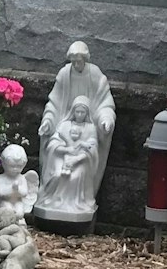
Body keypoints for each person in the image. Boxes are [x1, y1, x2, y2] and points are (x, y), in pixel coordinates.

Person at [38, 40, 116, 194]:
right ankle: (50, 197)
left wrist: (106, 120)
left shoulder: (95, 75)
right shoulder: (64, 74)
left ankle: (80, 200)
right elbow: (55, 102)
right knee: (54, 160)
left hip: (87, 132)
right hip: (64, 126)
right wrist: (48, 121)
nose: (76, 65)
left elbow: (104, 103)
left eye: (79, 62)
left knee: (80, 169)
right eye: (73, 62)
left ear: (85, 60)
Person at [38, 98, 102, 216]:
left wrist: (76, 159)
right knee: (58, 174)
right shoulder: (64, 125)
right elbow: (54, 142)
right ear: (73, 111)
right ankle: (53, 200)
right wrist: (66, 150)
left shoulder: (90, 128)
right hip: (61, 157)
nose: (79, 115)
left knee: (75, 176)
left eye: (82, 112)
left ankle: (74, 204)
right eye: (77, 111)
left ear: (87, 113)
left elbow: (91, 148)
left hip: (81, 161)